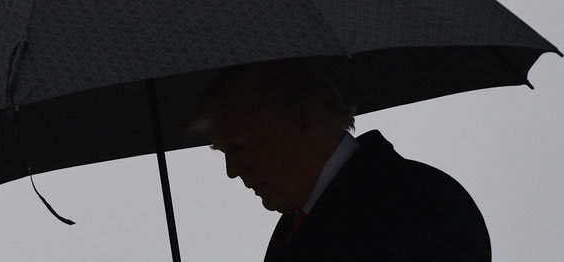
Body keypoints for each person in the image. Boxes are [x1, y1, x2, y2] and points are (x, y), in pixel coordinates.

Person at [193, 61, 491, 261]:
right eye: (222, 151)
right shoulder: (292, 229)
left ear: (304, 124)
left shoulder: (421, 204)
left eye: (239, 144)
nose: (232, 170)